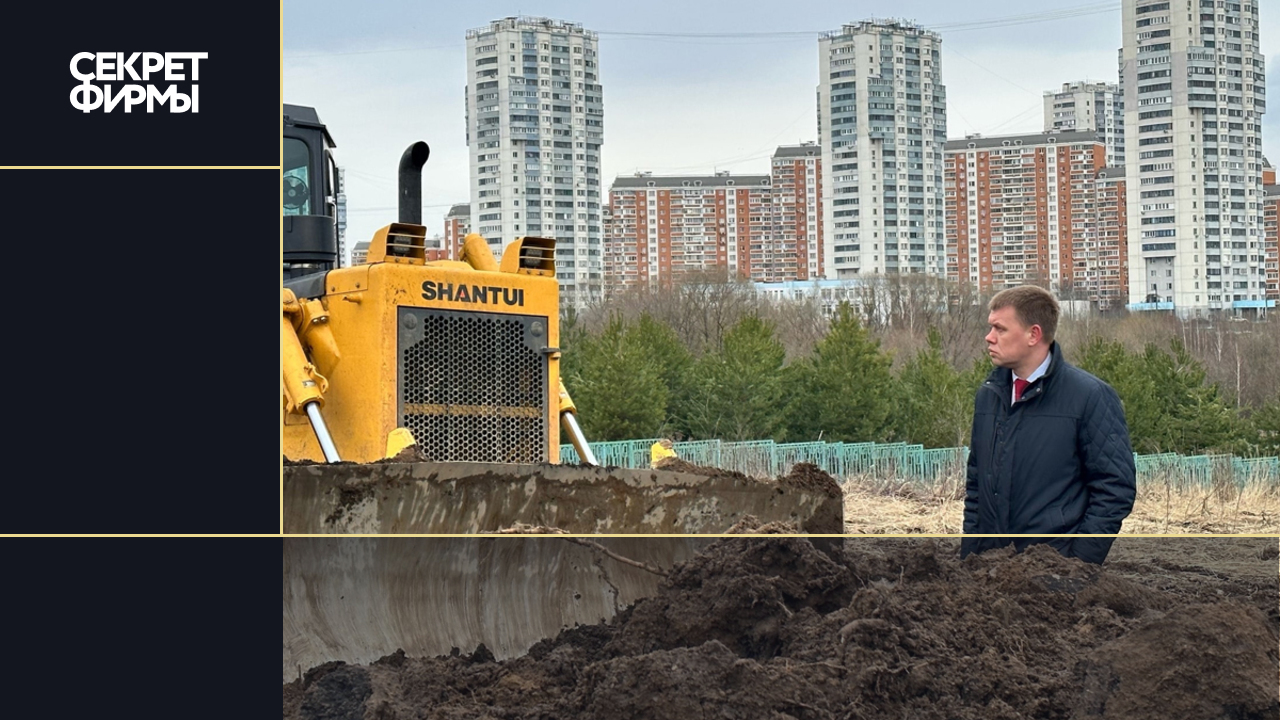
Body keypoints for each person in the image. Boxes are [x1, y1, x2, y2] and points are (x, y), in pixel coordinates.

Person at [961, 285, 1136, 564]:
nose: (989, 337)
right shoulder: (989, 395)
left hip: (1054, 575)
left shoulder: (1089, 397)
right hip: (989, 573)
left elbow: (1115, 490)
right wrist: (970, 559)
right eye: (990, 328)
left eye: (1000, 329)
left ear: (1034, 334)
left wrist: (1078, 566)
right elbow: (976, 485)